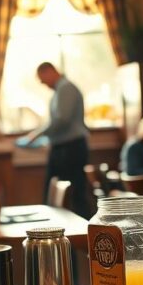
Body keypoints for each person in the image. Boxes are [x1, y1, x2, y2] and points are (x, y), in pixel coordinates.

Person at [20, 62, 90, 217]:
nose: (42, 83)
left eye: (42, 79)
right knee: (61, 193)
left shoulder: (66, 88)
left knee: (74, 195)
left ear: (49, 71)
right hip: (64, 147)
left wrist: (37, 134)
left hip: (70, 149)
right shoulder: (61, 89)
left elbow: (62, 119)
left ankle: (81, 234)